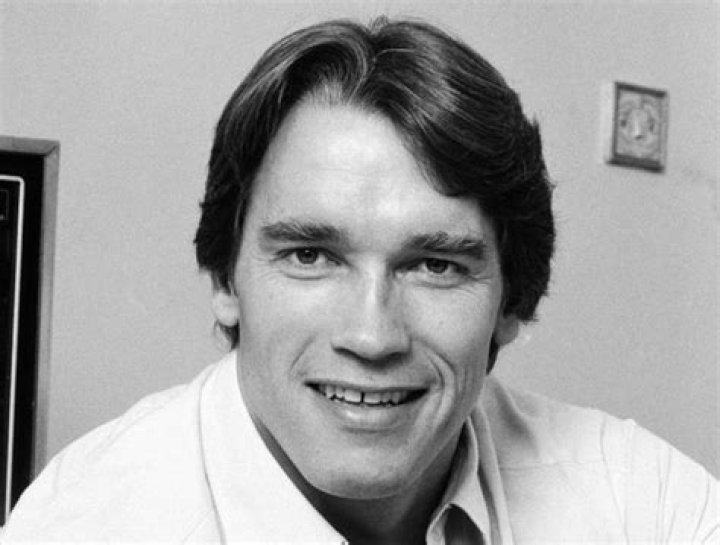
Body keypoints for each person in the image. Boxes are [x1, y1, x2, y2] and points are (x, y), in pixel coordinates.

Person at [2, 17, 717, 544]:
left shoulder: (640, 502)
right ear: (225, 277)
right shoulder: (88, 525)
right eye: (311, 255)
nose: (372, 336)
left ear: (511, 300)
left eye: (435, 265)